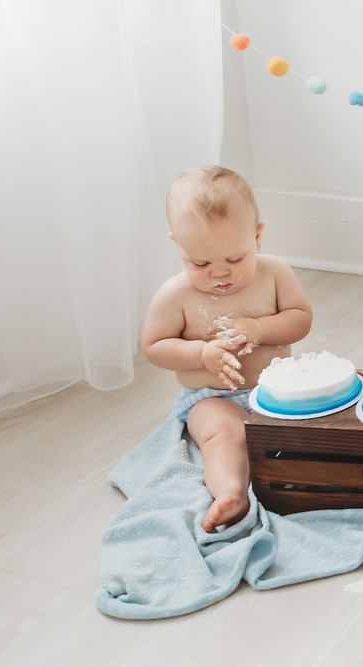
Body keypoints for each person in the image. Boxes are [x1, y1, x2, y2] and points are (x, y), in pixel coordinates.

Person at [141, 166, 313, 531]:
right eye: (201, 263)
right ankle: (230, 493)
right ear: (177, 246)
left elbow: (300, 319)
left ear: (257, 236)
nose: (220, 273)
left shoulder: (274, 273)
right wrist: (201, 354)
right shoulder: (175, 295)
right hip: (212, 398)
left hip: (278, 390)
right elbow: (155, 346)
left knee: (319, 420)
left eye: (235, 259)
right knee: (224, 436)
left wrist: (260, 328)